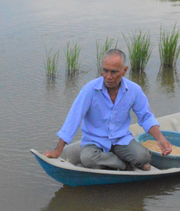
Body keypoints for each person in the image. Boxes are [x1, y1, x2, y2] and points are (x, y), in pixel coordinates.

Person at [44, 49, 172, 171]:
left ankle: (121, 161)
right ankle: (123, 165)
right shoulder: (90, 90)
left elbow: (146, 117)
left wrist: (160, 139)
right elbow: (74, 118)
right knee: (87, 158)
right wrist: (58, 150)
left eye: (114, 72)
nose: (108, 77)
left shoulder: (134, 90)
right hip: (95, 141)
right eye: (105, 71)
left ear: (124, 70)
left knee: (143, 157)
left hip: (120, 139)